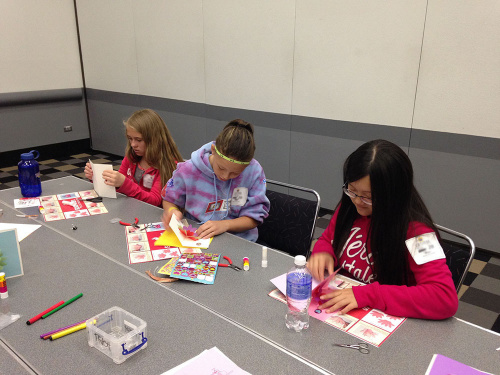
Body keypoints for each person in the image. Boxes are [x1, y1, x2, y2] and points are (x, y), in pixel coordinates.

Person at [307, 140, 458, 320]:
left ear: (394, 195)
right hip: (340, 307)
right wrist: (323, 251)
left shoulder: (420, 235)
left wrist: (368, 295)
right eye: (352, 190)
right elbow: (328, 238)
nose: (356, 201)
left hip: (382, 317)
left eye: (368, 197)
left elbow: (444, 297)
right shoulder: (350, 207)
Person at [161, 119, 270, 241]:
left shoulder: (254, 172)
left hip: (239, 241)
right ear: (213, 150)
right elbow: (169, 199)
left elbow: (255, 217)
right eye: (221, 168)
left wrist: (225, 225)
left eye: (235, 173)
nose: (225, 176)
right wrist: (171, 210)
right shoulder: (188, 169)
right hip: (197, 236)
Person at [84, 109, 183, 207]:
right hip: (132, 209)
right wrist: (96, 177)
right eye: (130, 138)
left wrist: (124, 184)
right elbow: (118, 186)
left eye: (138, 140)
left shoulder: (167, 164)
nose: (133, 144)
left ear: (154, 140)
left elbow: (155, 201)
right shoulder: (131, 157)